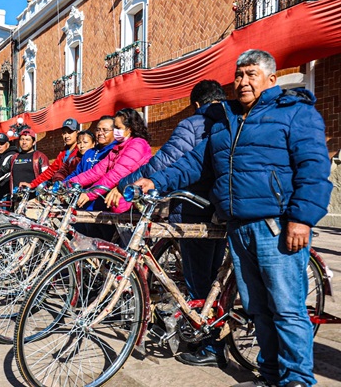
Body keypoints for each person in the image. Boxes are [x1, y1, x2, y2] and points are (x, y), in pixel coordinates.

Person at [134, 50, 332, 387]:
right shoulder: (227, 121)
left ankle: (298, 380)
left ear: (271, 78)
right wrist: (157, 180)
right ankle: (269, 377)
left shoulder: (296, 113)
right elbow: (194, 163)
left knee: (286, 308)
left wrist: (302, 219)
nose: (242, 82)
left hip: (277, 225)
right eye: (239, 75)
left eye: (251, 75)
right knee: (257, 309)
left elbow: (315, 169)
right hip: (237, 227)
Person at [108, 80, 229, 368]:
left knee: (199, 280)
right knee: (213, 278)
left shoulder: (194, 124)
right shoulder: (230, 123)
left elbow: (166, 163)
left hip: (193, 209)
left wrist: (128, 183)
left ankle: (209, 345)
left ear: (197, 104)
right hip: (220, 208)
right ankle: (212, 337)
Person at [0, 128, 49, 197]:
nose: (24, 142)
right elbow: (0, 171)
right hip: (16, 198)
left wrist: (34, 186)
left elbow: (47, 177)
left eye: (27, 139)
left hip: (34, 200)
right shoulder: (14, 157)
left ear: (34, 142)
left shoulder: (40, 157)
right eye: (22, 139)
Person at [21, 118, 80, 189]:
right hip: (63, 190)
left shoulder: (81, 151)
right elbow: (51, 171)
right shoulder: (63, 152)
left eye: (70, 132)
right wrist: (32, 184)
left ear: (77, 132)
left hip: (76, 189)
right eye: (64, 133)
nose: (67, 136)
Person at [64, 115, 117, 185]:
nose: (100, 133)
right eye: (98, 130)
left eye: (105, 130)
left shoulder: (117, 150)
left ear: (115, 132)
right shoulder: (89, 153)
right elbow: (77, 173)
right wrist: (62, 184)